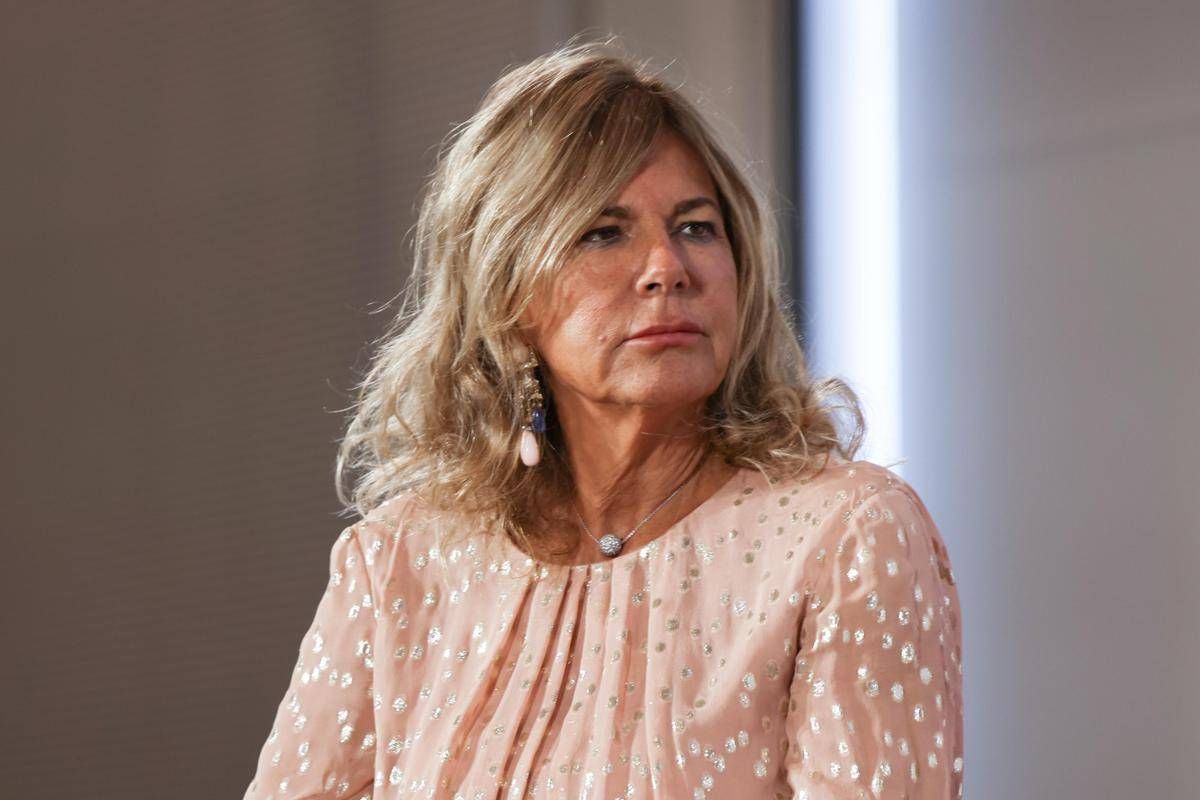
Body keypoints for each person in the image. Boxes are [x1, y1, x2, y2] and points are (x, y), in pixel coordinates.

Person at [241, 38, 963, 800]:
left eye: (695, 227)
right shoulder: (399, 565)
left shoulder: (845, 537)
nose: (667, 268)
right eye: (603, 232)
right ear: (508, 295)